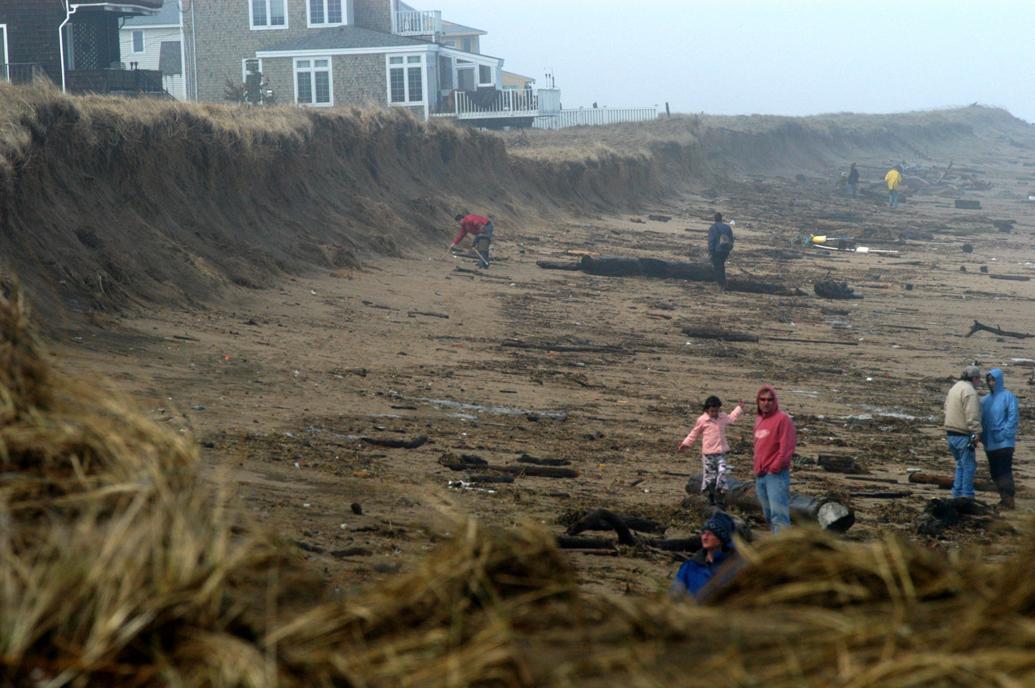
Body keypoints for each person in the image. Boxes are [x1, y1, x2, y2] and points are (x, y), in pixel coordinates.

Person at [678, 396, 744, 505]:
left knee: (722, 472)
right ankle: (710, 497)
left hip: (721, 452)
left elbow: (731, 418)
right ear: (707, 410)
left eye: (716, 410)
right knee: (710, 477)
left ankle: (721, 495)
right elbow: (694, 433)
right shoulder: (702, 420)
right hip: (708, 454)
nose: (714, 413)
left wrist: (739, 408)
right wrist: (685, 444)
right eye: (712, 411)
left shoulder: (722, 417)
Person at [753, 385, 796, 533]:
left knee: (779, 515)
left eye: (770, 400)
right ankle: (776, 544)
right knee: (768, 514)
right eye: (762, 399)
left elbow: (786, 448)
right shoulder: (759, 419)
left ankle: (784, 550)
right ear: (758, 401)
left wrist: (775, 467)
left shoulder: (783, 420)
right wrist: (758, 468)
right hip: (760, 475)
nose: (766, 403)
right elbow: (758, 446)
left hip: (776, 475)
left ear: (775, 401)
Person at [671, 511, 739, 600]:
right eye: (703, 533)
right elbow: (674, 597)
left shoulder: (735, 567)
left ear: (722, 538)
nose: (704, 537)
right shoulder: (690, 566)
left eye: (710, 534)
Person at [981, 368, 1019, 509]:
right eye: (989, 380)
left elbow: (1013, 417)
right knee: (994, 472)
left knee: (1004, 471)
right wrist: (982, 438)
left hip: (1004, 443)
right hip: (989, 444)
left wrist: (1004, 434)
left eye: (993, 380)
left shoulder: (1008, 396)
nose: (991, 383)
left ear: (999, 380)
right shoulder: (985, 400)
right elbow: (981, 421)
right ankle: (1003, 498)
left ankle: (1009, 500)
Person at [944, 364, 983, 499]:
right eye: (978, 379)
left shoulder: (954, 388)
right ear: (974, 378)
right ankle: (967, 495)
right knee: (969, 467)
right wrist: (976, 432)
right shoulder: (969, 391)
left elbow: (946, 407)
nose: (979, 382)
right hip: (962, 434)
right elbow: (972, 415)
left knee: (960, 465)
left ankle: (956, 494)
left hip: (950, 433)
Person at [707, 212, 734, 290]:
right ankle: (723, 283)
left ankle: (721, 284)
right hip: (725, 250)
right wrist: (729, 248)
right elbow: (731, 239)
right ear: (721, 218)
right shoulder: (727, 227)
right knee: (721, 265)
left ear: (714, 219)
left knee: (717, 267)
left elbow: (711, 241)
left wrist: (711, 251)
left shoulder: (713, 227)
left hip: (716, 250)